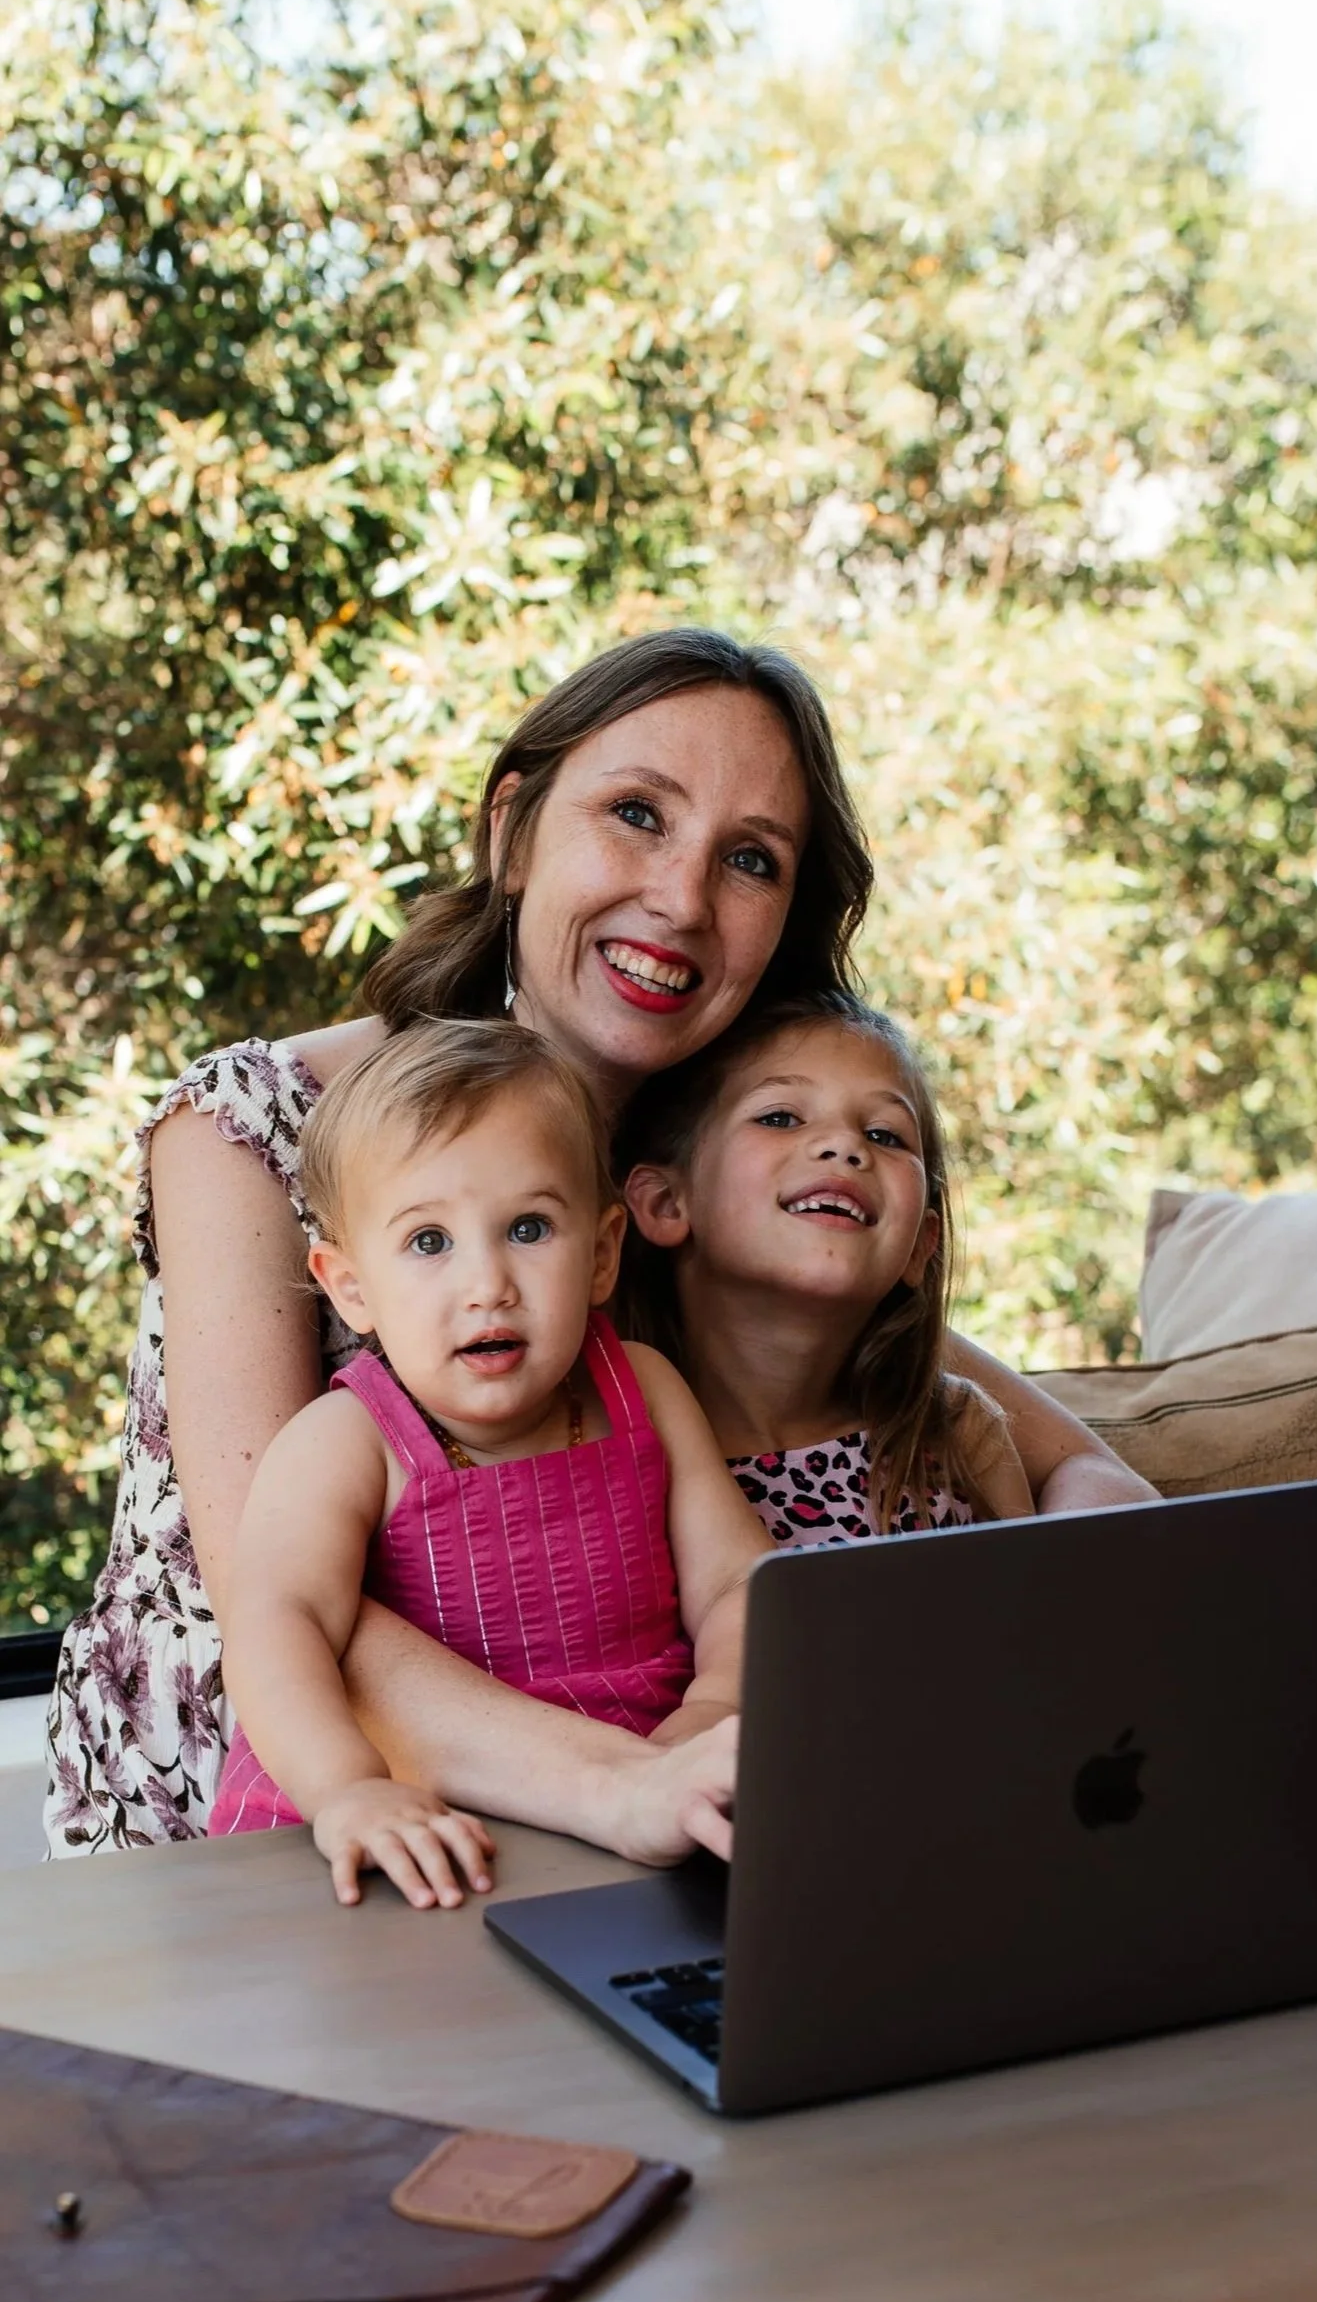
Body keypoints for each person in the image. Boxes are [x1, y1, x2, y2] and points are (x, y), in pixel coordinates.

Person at [46, 626, 1150, 1859]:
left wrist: (1104, 1578)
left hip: (622, 1797)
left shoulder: (693, 1180)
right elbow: (284, 1596)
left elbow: (1072, 1463)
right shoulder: (251, 1129)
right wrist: (637, 1787)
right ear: (514, 828)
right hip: (271, 1820)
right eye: (636, 813)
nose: (681, 900)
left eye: (748, 860)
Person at [209, 1020, 768, 1909]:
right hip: (413, 1826)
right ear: (350, 1286)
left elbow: (738, 1583)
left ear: (600, 1251)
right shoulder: (345, 1442)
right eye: (429, 1242)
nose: (488, 1283)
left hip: (638, 1795)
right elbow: (276, 1625)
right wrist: (348, 1787)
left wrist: (715, 1707)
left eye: (529, 1228)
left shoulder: (646, 1392)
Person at [622, 989, 1038, 1542]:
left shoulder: (961, 1433)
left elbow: (1037, 1622)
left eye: (884, 1135)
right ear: (666, 1204)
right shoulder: (619, 1451)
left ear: (921, 1246)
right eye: (779, 1117)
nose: (844, 1145)